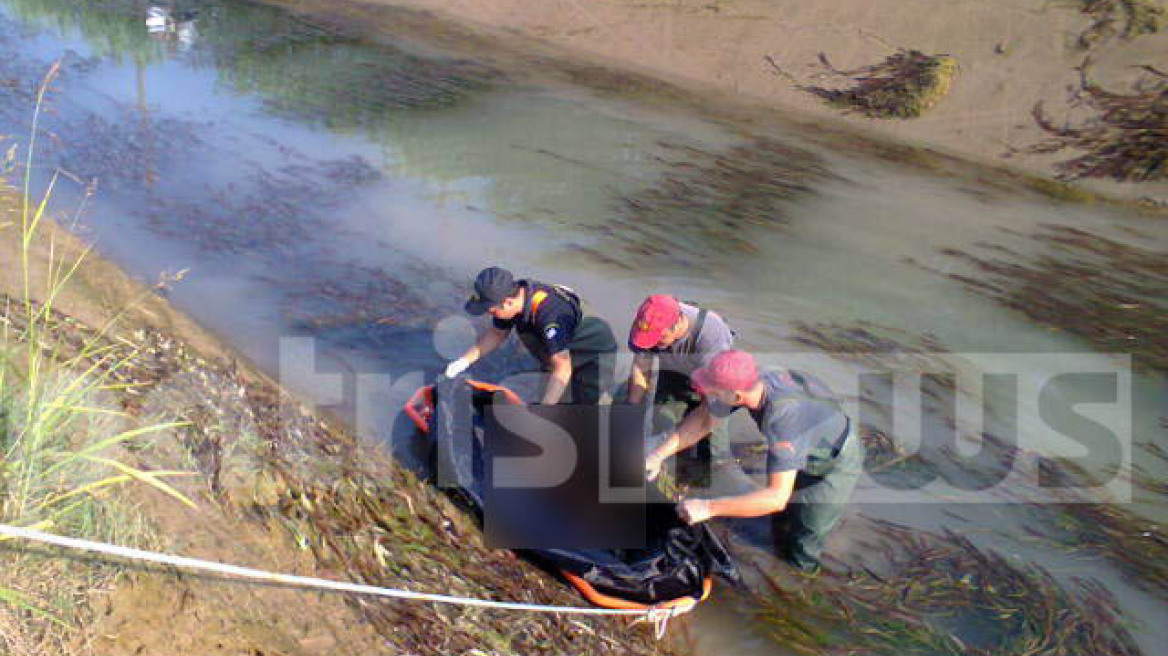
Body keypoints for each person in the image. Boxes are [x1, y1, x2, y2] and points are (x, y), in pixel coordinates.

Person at [645, 350, 864, 573]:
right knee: (781, 522)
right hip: (804, 439)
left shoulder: (782, 419)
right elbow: (703, 420)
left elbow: (776, 498)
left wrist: (708, 507)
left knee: (804, 539)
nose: (707, 395)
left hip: (831, 462)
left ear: (737, 397)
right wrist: (658, 455)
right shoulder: (752, 379)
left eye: (713, 391)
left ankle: (801, 580)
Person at [445, 267, 616, 405]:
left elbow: (563, 367)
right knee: (554, 392)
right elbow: (497, 334)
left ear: (507, 303)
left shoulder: (549, 313)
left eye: (491, 311)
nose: (490, 315)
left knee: (592, 405)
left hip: (592, 349)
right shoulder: (512, 298)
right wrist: (463, 361)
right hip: (559, 346)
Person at [626, 295, 734, 483]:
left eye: (658, 339)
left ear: (677, 325)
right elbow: (641, 369)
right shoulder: (643, 325)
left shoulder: (712, 336)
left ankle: (713, 485)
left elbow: (714, 406)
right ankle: (662, 475)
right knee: (662, 420)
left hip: (711, 377)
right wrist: (630, 413)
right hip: (673, 370)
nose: (653, 344)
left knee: (713, 446)